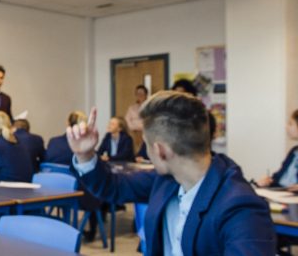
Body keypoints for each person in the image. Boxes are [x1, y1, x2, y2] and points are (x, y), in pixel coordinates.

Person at [67, 92, 275, 255]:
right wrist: (85, 155)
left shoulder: (241, 208)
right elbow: (113, 187)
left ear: (160, 151)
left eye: (146, 145)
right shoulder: (168, 180)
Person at [256, 109, 298, 189]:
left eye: (290, 124)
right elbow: (280, 177)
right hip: (280, 194)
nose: (286, 127)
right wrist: (268, 181)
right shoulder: (294, 151)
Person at [125, 85, 148, 151]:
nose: (140, 95)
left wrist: (140, 126)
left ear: (146, 94)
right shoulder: (131, 108)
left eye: (142, 93)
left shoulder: (150, 107)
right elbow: (127, 121)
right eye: (138, 93)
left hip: (146, 133)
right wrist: (135, 127)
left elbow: (150, 121)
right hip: (133, 133)